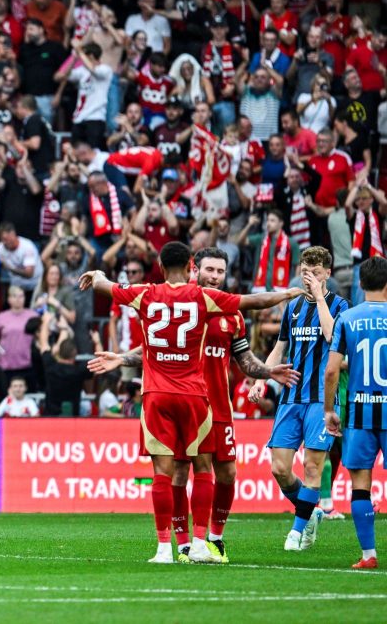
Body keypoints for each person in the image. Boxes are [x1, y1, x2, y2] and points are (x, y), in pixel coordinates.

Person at [79, 241, 304, 563]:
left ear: (159, 263)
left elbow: (105, 288)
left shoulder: (146, 293)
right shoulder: (205, 299)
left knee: (177, 472)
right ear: (192, 268)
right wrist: (290, 292)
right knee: (197, 472)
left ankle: (171, 548)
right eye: (209, 269)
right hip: (195, 397)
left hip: (165, 396)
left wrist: (99, 273)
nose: (214, 276)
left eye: (220, 271)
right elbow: (255, 300)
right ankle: (193, 544)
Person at [247, 246, 349, 551]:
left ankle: (296, 531)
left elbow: (333, 338)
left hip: (322, 398)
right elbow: (280, 347)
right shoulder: (292, 308)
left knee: (313, 467)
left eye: (316, 273)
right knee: (278, 468)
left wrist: (319, 297)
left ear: (328, 273)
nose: (310, 278)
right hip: (291, 397)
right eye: (306, 272)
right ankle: (312, 511)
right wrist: (261, 379)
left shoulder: (340, 305)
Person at [324, 257, 387, 569]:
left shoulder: (347, 318)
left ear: (360, 284)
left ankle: (368, 556)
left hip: (360, 413)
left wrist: (328, 410)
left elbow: (332, 371)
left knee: (360, 483)